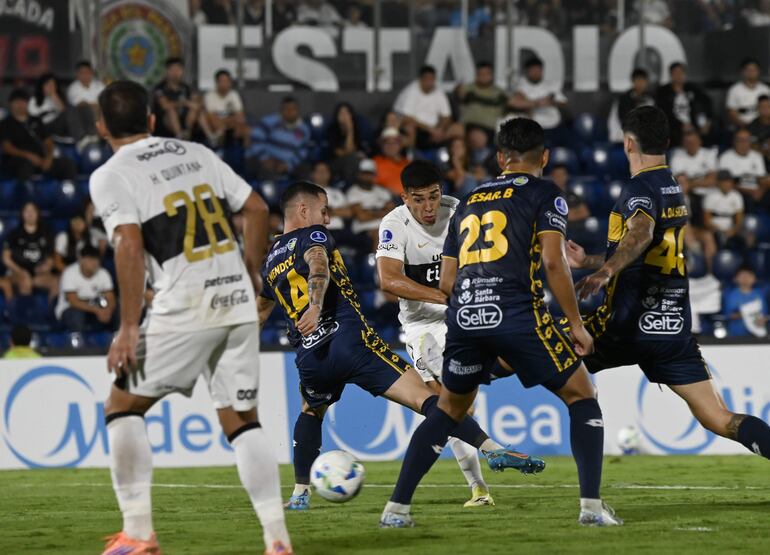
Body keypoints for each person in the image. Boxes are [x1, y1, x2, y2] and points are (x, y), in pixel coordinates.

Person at [381, 116, 614, 529]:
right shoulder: (545, 193)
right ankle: (592, 509)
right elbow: (552, 262)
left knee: (447, 410)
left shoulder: (469, 201)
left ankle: (396, 510)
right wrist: (576, 325)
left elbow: (449, 280)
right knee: (582, 394)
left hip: (464, 317)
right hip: (515, 312)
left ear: (500, 157)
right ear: (543, 156)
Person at [89, 80, 291, 554]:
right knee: (242, 421)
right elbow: (257, 207)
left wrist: (128, 326)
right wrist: (250, 272)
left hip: (186, 301)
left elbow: (128, 243)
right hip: (236, 298)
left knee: (122, 407)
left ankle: (138, 534)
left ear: (101, 127)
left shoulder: (111, 174)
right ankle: (277, 541)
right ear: (153, 120)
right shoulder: (196, 152)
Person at [258, 181, 541, 512]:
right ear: (303, 210)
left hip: (311, 356)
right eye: (324, 210)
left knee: (310, 411)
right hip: (349, 343)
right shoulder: (313, 235)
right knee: (428, 400)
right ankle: (492, 448)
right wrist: (317, 304)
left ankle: (300, 493)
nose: (328, 219)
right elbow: (318, 264)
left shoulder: (269, 261)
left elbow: (260, 312)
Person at [568, 105, 770, 491]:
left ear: (629, 143)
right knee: (720, 419)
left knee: (540, 351)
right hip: (672, 329)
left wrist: (605, 271)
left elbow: (640, 234)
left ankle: (453, 394)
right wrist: (591, 260)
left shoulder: (638, 189)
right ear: (667, 142)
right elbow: (648, 251)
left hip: (625, 326)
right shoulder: (672, 187)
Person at [375, 160, 495, 508]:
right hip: (422, 325)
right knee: (448, 401)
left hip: (462, 316)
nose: (428, 207)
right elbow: (388, 280)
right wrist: (444, 297)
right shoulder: (394, 224)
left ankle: (480, 486)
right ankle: (479, 486)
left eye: (433, 196)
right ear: (404, 198)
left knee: (452, 403)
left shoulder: (458, 212)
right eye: (419, 199)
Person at [0, 88, 77, 180]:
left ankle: (66, 192)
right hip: (18, 161)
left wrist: (49, 158)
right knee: (25, 166)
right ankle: (26, 193)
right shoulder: (5, 124)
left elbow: (48, 142)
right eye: (17, 101)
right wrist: (28, 156)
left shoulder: (36, 121)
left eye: (23, 101)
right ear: (10, 104)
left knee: (68, 165)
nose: (20, 105)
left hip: (41, 159)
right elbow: (7, 147)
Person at [2, 202, 58, 299]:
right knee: (25, 281)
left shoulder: (46, 233)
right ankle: (25, 313)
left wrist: (46, 267)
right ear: (22, 214)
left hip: (39, 273)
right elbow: (6, 258)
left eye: (33, 211)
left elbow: (51, 257)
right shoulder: (14, 234)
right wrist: (20, 271)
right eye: (27, 211)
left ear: (37, 214)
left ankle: (49, 312)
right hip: (17, 272)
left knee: (56, 283)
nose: (30, 213)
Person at [247, 96, 311, 179]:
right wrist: (265, 158)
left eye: (293, 109)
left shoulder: (304, 129)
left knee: (305, 171)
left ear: (297, 111)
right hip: (267, 159)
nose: (289, 112)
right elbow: (255, 139)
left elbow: (303, 151)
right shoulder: (270, 121)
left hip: (287, 163)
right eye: (286, 109)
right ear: (281, 111)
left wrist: (289, 165)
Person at [56, 245, 116, 332]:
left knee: (118, 309)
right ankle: (79, 343)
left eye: (96, 259)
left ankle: (117, 339)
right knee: (77, 315)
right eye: (90, 259)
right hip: (70, 309)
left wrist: (108, 310)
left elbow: (110, 298)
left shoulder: (103, 273)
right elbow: (73, 301)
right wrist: (97, 311)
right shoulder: (69, 273)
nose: (94, 263)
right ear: (82, 260)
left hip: (96, 309)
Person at [393, 65, 452, 151]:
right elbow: (407, 118)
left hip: (435, 129)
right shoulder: (411, 91)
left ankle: (445, 159)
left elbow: (446, 116)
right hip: (416, 129)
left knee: (457, 129)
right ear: (420, 79)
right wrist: (431, 130)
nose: (429, 82)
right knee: (409, 128)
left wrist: (440, 129)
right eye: (427, 79)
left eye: (432, 79)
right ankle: (411, 157)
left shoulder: (438, 92)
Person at [152, 57, 210, 141]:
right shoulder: (160, 88)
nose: (175, 73)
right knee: (171, 110)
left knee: (196, 110)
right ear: (167, 71)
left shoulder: (186, 88)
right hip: (165, 123)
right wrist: (184, 103)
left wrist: (196, 104)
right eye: (173, 70)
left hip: (185, 120)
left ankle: (210, 137)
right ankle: (180, 136)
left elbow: (197, 103)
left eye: (178, 70)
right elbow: (165, 106)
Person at [656, 62, 712, 146]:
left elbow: (706, 104)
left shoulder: (693, 89)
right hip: (674, 128)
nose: (678, 75)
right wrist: (681, 125)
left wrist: (707, 121)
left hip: (695, 126)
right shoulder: (663, 92)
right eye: (675, 73)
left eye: (681, 72)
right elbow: (662, 114)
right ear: (671, 75)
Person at [510, 56, 568, 133]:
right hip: (531, 127)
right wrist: (537, 103)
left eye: (538, 70)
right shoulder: (521, 85)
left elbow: (564, 102)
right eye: (533, 70)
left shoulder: (550, 85)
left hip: (553, 124)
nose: (536, 73)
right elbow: (513, 103)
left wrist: (552, 102)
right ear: (527, 71)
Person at [347, 158, 396, 248]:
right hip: (364, 229)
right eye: (364, 174)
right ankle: (377, 261)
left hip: (386, 226)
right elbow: (362, 217)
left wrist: (369, 211)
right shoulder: (353, 192)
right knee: (381, 234)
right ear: (359, 175)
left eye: (370, 174)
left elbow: (392, 213)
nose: (367, 177)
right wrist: (383, 211)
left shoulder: (382, 191)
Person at [29, 73, 85, 144]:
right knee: (70, 110)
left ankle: (81, 138)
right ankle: (80, 140)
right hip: (45, 126)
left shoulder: (58, 98)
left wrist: (54, 97)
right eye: (48, 84)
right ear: (42, 86)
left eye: (53, 85)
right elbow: (33, 119)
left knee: (74, 109)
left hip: (60, 125)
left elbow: (65, 112)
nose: (51, 87)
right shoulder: (34, 100)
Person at [718, 128, 769, 205]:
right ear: (734, 141)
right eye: (740, 140)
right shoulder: (725, 158)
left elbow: (762, 179)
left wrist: (760, 190)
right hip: (738, 192)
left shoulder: (757, 156)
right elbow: (726, 183)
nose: (743, 142)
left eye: (746, 140)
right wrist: (750, 191)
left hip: (757, 190)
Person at [456, 61, 509, 136]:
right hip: (467, 125)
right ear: (476, 75)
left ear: (492, 75)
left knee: (476, 135)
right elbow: (459, 95)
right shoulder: (467, 89)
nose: (484, 76)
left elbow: (511, 104)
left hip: (488, 129)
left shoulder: (500, 93)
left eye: (487, 74)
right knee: (456, 129)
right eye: (481, 74)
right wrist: (458, 91)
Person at [204, 69, 250, 147]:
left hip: (230, 124)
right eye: (222, 81)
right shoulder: (209, 95)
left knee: (247, 129)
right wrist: (229, 120)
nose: (224, 84)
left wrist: (226, 122)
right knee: (214, 121)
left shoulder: (234, 95)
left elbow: (240, 115)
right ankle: (218, 146)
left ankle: (246, 155)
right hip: (214, 125)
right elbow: (211, 117)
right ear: (216, 83)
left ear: (230, 82)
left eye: (226, 81)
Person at [326, 102, 370, 183]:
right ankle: (351, 184)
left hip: (354, 161)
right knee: (352, 158)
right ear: (337, 116)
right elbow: (344, 152)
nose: (344, 116)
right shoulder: (332, 130)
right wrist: (350, 131)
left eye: (346, 113)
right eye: (341, 113)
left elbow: (358, 149)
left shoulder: (357, 129)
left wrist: (351, 130)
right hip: (335, 162)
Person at [703, 170, 746, 250]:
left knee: (746, 239)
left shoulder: (736, 196)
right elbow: (706, 220)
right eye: (724, 181)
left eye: (729, 181)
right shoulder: (711, 196)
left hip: (731, 228)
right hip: (715, 229)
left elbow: (739, 219)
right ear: (719, 183)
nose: (727, 184)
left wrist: (733, 230)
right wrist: (718, 230)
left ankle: (743, 262)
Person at [66, 60, 104, 148]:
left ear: (92, 73)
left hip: (100, 115)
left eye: (87, 72)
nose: (85, 75)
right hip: (83, 119)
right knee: (85, 109)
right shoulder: (73, 88)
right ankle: (86, 137)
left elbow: (104, 102)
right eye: (82, 73)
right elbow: (80, 104)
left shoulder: (99, 85)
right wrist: (94, 106)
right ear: (77, 74)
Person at [723, 266, 769, 337]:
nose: (745, 278)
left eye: (749, 276)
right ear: (735, 279)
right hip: (736, 335)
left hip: (757, 334)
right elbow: (730, 315)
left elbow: (765, 314)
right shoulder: (731, 295)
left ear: (754, 278)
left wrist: (763, 319)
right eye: (742, 276)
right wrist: (747, 312)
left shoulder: (760, 294)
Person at [726, 58, 770, 128]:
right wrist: (746, 127)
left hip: (763, 126)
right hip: (742, 127)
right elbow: (732, 113)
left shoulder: (765, 89)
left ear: (759, 71)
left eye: (754, 70)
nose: (751, 72)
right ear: (743, 71)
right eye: (749, 70)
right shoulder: (735, 90)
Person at [373, 127, 409, 194]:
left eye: (394, 143)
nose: (391, 146)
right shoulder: (375, 162)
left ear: (400, 145)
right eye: (387, 143)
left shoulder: (408, 164)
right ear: (382, 146)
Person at [748, 94, 770, 165]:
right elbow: (752, 145)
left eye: (767, 106)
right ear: (757, 108)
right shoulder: (752, 126)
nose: (765, 109)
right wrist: (765, 147)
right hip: (760, 157)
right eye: (762, 107)